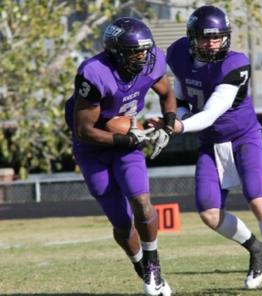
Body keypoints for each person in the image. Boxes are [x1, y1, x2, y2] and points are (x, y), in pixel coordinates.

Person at [164, 5, 262, 296]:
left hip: (243, 138)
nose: (212, 43)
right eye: (205, 37)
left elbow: (212, 112)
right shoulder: (178, 55)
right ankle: (256, 249)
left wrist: (180, 127)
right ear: (191, 38)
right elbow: (183, 94)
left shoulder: (235, 64)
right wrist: (177, 114)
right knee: (209, 212)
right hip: (210, 144)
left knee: (257, 198)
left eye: (217, 37)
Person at [64, 17, 175, 296]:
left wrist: (169, 124)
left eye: (145, 50)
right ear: (115, 52)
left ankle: (153, 263)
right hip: (92, 149)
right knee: (121, 222)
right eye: (134, 52)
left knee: (141, 199)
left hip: (126, 142)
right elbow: (84, 130)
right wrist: (128, 137)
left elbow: (167, 93)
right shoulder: (95, 73)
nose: (142, 57)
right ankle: (141, 267)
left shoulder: (152, 62)